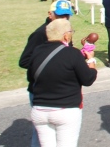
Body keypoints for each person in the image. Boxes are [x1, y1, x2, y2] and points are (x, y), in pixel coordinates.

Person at [28, 19, 97, 147]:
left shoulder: (37, 51)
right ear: (66, 35)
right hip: (66, 109)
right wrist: (91, 61)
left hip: (40, 110)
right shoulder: (72, 53)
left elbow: (31, 78)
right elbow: (88, 79)